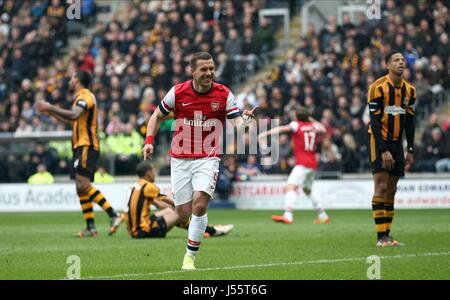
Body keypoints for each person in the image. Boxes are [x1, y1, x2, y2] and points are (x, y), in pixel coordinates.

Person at [142, 52, 257, 270]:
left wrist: (247, 120)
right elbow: (156, 115)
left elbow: (239, 126)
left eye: (212, 68)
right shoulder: (178, 92)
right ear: (192, 71)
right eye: (204, 69)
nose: (209, 73)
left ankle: (189, 258)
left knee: (200, 203)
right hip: (180, 158)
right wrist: (149, 141)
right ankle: (198, 229)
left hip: (208, 157)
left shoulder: (223, 94)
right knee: (183, 212)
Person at [35, 70, 122, 237]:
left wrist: (51, 106)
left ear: (77, 80)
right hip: (79, 146)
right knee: (79, 187)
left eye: (72, 77)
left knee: (83, 185)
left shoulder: (86, 96)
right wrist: (51, 112)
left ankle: (114, 215)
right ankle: (91, 227)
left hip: (87, 145)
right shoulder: (79, 97)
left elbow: (74, 114)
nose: (70, 80)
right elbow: (71, 119)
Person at [367, 51, 416, 247]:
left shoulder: (410, 90)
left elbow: (410, 120)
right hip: (378, 140)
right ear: (388, 65)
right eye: (396, 60)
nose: (401, 62)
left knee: (392, 189)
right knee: (381, 186)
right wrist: (383, 149)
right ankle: (380, 238)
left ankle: (387, 235)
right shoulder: (377, 87)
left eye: (402, 60)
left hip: (397, 143)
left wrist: (410, 148)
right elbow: (374, 121)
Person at [125, 161, 234, 239]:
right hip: (144, 231)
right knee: (181, 213)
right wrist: (186, 207)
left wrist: (174, 209)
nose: (154, 172)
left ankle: (204, 230)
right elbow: (173, 202)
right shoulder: (148, 186)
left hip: (133, 230)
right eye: (153, 170)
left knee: (171, 211)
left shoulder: (136, 186)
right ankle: (210, 230)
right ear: (148, 173)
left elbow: (159, 205)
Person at [258, 107, 330, 225]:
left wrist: (265, 134)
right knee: (307, 190)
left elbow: (282, 129)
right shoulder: (314, 126)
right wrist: (310, 119)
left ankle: (288, 215)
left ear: (297, 117)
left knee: (290, 187)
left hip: (303, 163)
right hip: (312, 164)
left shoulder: (296, 125)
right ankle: (323, 216)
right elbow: (323, 128)